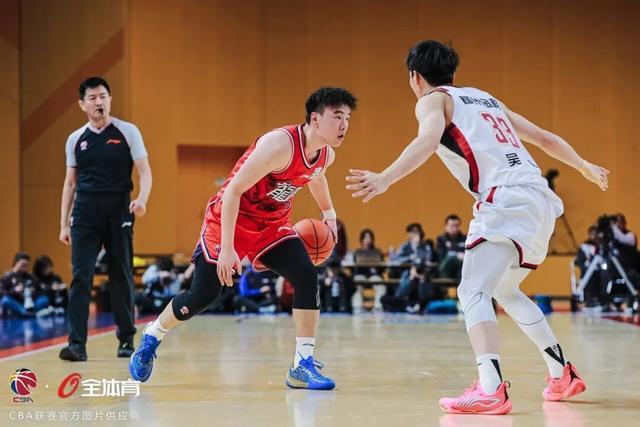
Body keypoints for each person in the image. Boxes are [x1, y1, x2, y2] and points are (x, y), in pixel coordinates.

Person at [346, 40, 609, 414]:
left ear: (415, 77)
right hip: (540, 200)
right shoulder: (486, 99)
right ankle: (560, 372)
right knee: (505, 290)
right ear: (453, 72)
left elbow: (427, 140)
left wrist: (385, 178)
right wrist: (584, 166)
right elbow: (545, 139)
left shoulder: (433, 100)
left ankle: (490, 387)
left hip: (505, 199)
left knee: (471, 290)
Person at [129, 87, 357, 390]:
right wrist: (227, 248)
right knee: (203, 296)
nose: (344, 125)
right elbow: (233, 191)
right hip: (228, 219)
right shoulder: (280, 145)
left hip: (270, 225)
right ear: (315, 119)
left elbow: (316, 176)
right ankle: (152, 336)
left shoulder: (325, 154)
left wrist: (329, 214)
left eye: (347, 118)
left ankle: (301, 365)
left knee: (306, 275)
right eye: (337, 117)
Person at [59, 77, 153, 362]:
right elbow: (70, 183)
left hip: (118, 210)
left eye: (103, 96)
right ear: (82, 104)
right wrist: (63, 224)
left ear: (109, 99)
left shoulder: (128, 131)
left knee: (121, 274)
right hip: (85, 212)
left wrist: (142, 200)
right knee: (81, 276)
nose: (99, 102)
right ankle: (77, 345)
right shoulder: (75, 139)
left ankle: (126, 340)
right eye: (93, 98)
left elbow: (145, 171)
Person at [1, 253, 50, 318]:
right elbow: (2, 292)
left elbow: (41, 290)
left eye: (26, 266)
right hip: (18, 304)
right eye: (23, 265)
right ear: (16, 263)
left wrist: (33, 291)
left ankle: (32, 313)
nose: (24, 268)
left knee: (44, 299)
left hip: (31, 303)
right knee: (5, 300)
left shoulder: (31, 277)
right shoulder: (7, 276)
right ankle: (27, 313)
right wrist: (14, 291)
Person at [436, 214, 466, 282]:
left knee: (462, 269)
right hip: (445, 269)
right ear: (446, 226)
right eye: (452, 226)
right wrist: (456, 255)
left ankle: (460, 288)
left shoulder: (465, 238)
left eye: (457, 226)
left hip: (460, 268)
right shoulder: (441, 239)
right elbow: (441, 256)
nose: (455, 228)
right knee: (451, 258)